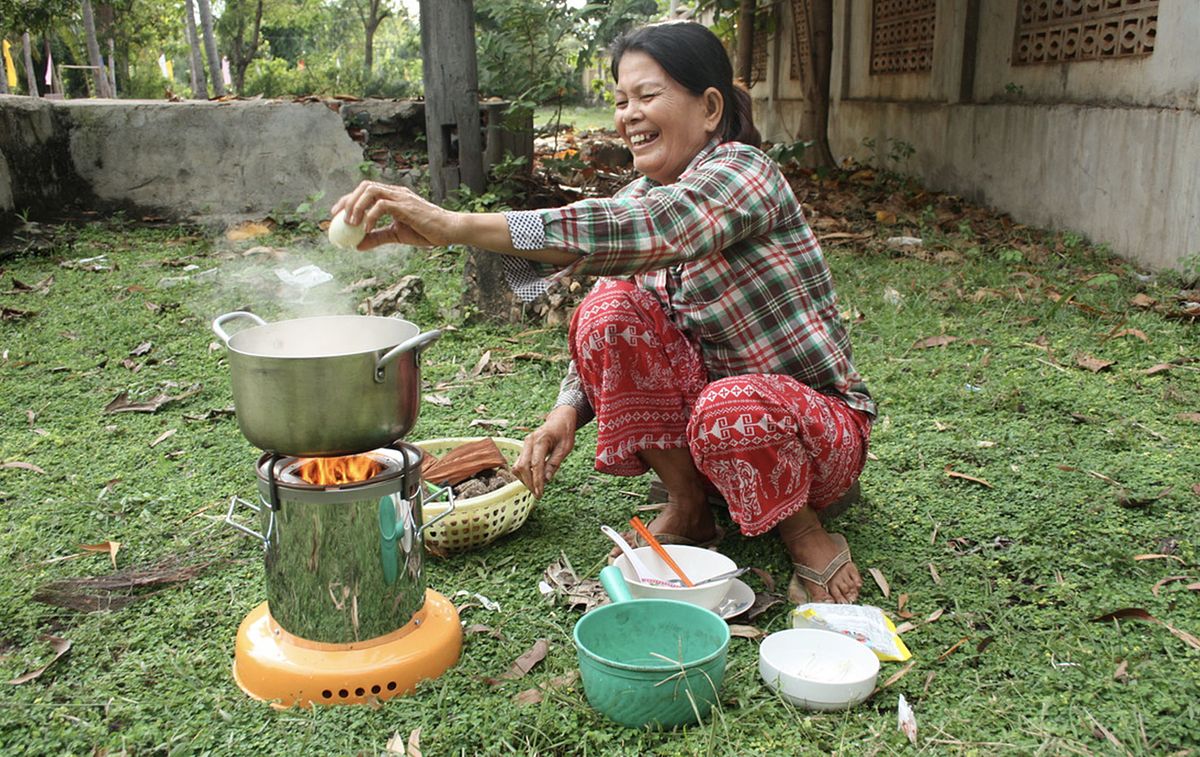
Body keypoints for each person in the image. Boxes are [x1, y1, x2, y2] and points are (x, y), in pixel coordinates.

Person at [331, 20, 874, 604]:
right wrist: (565, 411)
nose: (629, 115)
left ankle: (807, 533)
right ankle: (690, 506)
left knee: (728, 404)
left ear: (710, 108)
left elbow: (653, 229)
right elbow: (588, 291)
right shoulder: (637, 197)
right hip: (710, 441)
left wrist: (457, 223)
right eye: (620, 101)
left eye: (647, 95)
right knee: (606, 307)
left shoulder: (745, 173)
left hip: (812, 439)